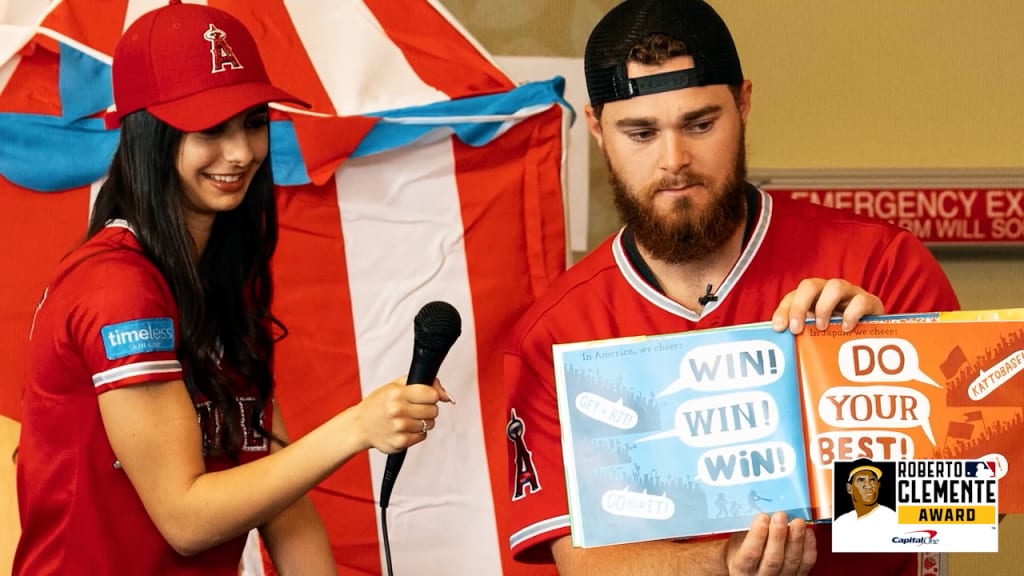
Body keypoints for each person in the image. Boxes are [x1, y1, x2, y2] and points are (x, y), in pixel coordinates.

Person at [504, 0, 959, 575]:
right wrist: (725, 562)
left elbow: (967, 511)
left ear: (742, 103)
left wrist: (871, 379)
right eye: (640, 132)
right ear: (598, 129)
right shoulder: (556, 333)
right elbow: (584, 562)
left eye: (700, 124)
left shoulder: (881, 266)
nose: (675, 160)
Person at [13, 1, 452, 574]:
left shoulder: (214, 283)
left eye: (252, 122)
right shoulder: (116, 287)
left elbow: (283, 501)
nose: (242, 152)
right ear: (150, 136)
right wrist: (358, 427)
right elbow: (187, 518)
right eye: (210, 129)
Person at [832, 461, 897, 547]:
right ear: (849, 488)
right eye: (861, 480)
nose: (869, 486)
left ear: (878, 485)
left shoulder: (891, 519)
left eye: (872, 480)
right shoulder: (842, 522)